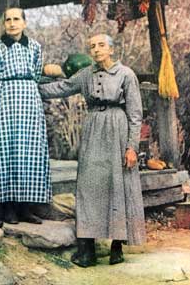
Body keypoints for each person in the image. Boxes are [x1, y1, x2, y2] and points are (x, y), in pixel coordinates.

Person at [38, 34, 146, 267]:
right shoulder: (86, 73)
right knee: (87, 186)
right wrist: (29, 86)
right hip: (93, 129)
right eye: (92, 47)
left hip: (118, 128)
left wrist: (131, 147)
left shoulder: (126, 74)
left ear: (111, 50)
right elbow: (63, 86)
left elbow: (136, 115)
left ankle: (117, 246)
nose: (96, 50)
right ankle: (87, 252)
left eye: (101, 46)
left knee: (117, 184)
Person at [0, 7, 51, 225]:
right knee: (7, 153)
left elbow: (37, 75)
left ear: (24, 23)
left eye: (16, 19)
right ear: (4, 24)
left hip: (30, 103)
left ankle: (26, 209)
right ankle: (8, 208)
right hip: (4, 102)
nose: (12, 23)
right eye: (8, 20)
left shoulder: (35, 47)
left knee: (29, 153)